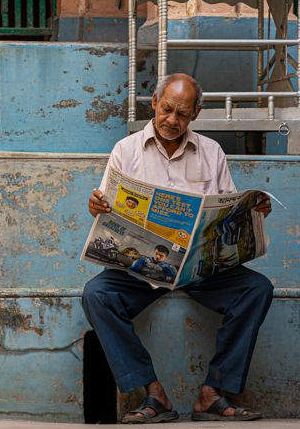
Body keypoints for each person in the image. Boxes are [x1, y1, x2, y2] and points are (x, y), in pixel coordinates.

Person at [82, 73, 273, 424]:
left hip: (200, 270)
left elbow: (226, 211)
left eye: (182, 114)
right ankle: (153, 394)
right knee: (96, 294)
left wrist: (252, 213)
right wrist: (98, 206)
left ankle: (213, 393)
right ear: (154, 103)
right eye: (166, 109)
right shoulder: (125, 151)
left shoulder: (211, 152)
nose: (172, 120)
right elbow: (108, 206)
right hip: (143, 270)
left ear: (195, 114)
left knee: (257, 289)